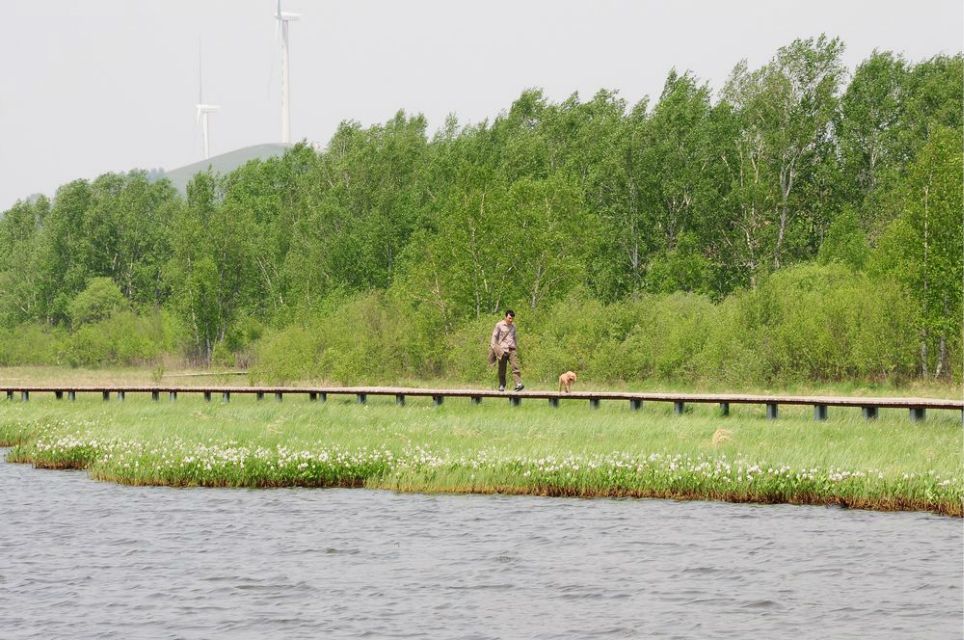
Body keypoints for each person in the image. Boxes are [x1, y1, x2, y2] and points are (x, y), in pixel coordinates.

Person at [488, 309, 524, 392]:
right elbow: (494, 336)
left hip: (512, 349)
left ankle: (518, 384)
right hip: (502, 350)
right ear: (505, 317)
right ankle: (502, 385)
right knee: (502, 368)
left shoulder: (513, 326)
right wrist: (494, 346)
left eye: (512, 318)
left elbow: (514, 337)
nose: (511, 320)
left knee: (516, 366)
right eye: (509, 318)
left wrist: (516, 347)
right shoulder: (499, 325)